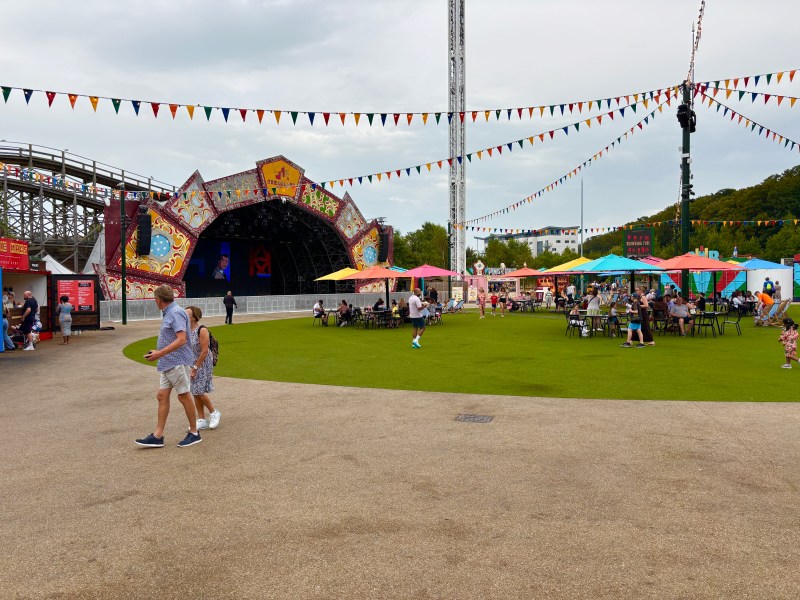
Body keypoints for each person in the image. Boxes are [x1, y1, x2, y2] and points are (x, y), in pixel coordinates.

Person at [135, 285, 202, 448]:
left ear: (158, 299)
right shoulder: (172, 312)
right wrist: (159, 353)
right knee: (162, 396)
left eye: (155, 300)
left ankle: (194, 433)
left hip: (177, 362)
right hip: (168, 362)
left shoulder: (175, 312)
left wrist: (160, 353)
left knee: (183, 396)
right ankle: (158, 435)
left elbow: (181, 339)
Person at [185, 306, 221, 430]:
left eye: (188, 315)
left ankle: (214, 412)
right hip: (193, 362)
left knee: (199, 391)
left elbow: (205, 351)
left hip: (203, 363)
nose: (185, 316)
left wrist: (195, 368)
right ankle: (201, 419)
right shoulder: (186, 330)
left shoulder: (202, 330)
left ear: (194, 317)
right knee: (195, 391)